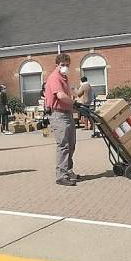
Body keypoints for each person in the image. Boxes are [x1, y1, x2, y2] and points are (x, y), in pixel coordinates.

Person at [45, 52, 79, 186]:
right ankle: (61, 175)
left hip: (67, 113)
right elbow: (59, 95)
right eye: (62, 65)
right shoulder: (55, 78)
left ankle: (68, 171)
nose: (65, 67)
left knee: (71, 144)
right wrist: (73, 102)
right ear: (57, 65)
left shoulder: (64, 78)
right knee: (63, 145)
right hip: (58, 115)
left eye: (67, 65)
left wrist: (74, 105)